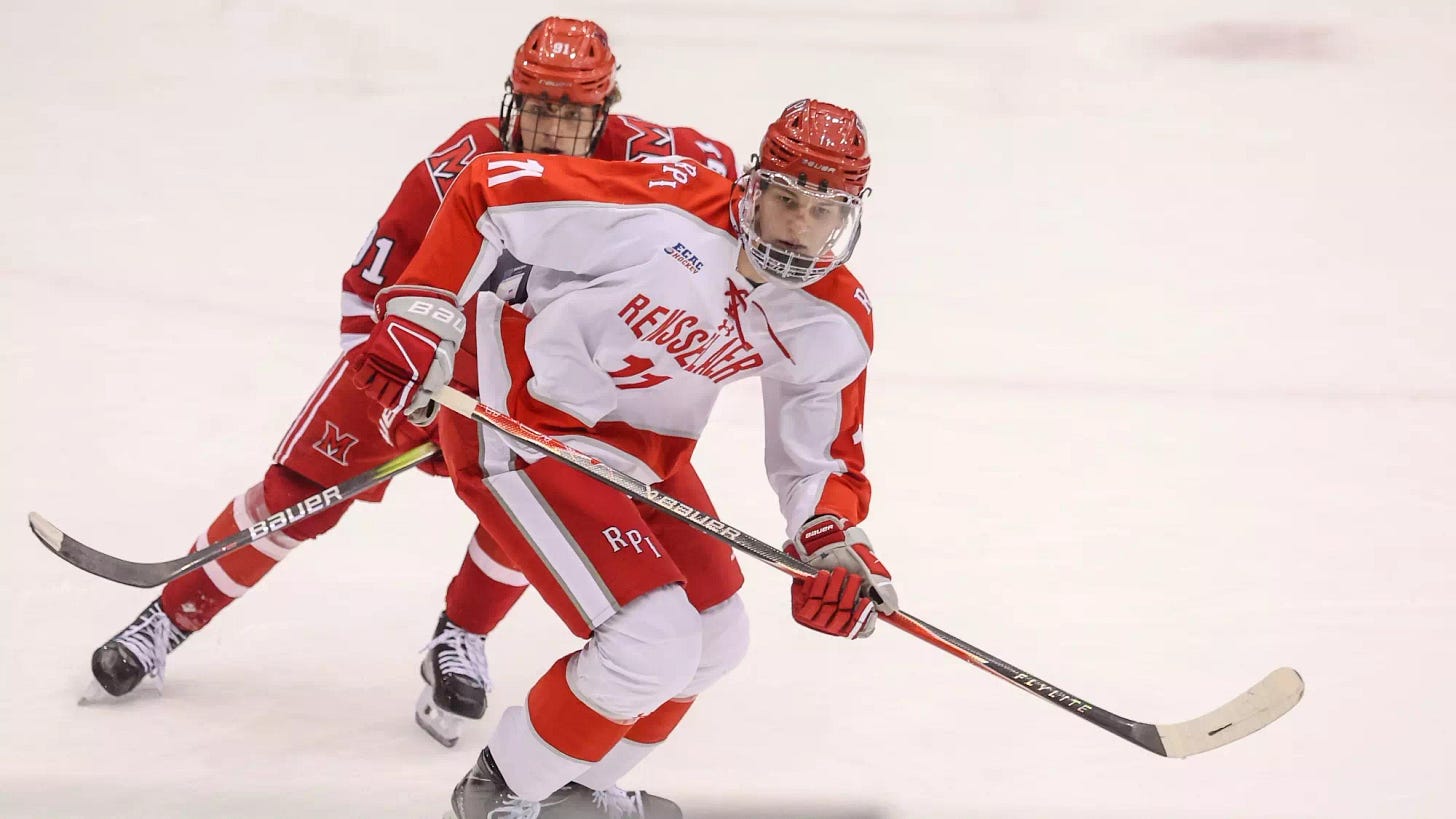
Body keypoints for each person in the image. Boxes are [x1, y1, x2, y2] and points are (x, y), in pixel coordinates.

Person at [87, 16, 737, 754]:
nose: (549, 129)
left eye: (571, 113)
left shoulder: (654, 165)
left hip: (539, 379)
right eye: (537, 106)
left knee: (527, 511)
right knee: (299, 489)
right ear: (510, 99)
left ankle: (460, 635)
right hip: (419, 359)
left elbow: (739, 211)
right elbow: (369, 285)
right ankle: (170, 616)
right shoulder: (461, 163)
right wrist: (391, 387)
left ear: (606, 109)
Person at [347, 98, 899, 817]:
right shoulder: (666, 211)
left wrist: (831, 548)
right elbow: (488, 189)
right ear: (754, 187)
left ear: (848, 217)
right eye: (786, 200)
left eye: (822, 212)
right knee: (651, 640)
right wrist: (423, 316)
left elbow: (818, 460)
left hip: (641, 456)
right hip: (525, 418)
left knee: (716, 635)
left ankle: (576, 785)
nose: (798, 226)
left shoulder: (833, 319)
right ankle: (502, 794)